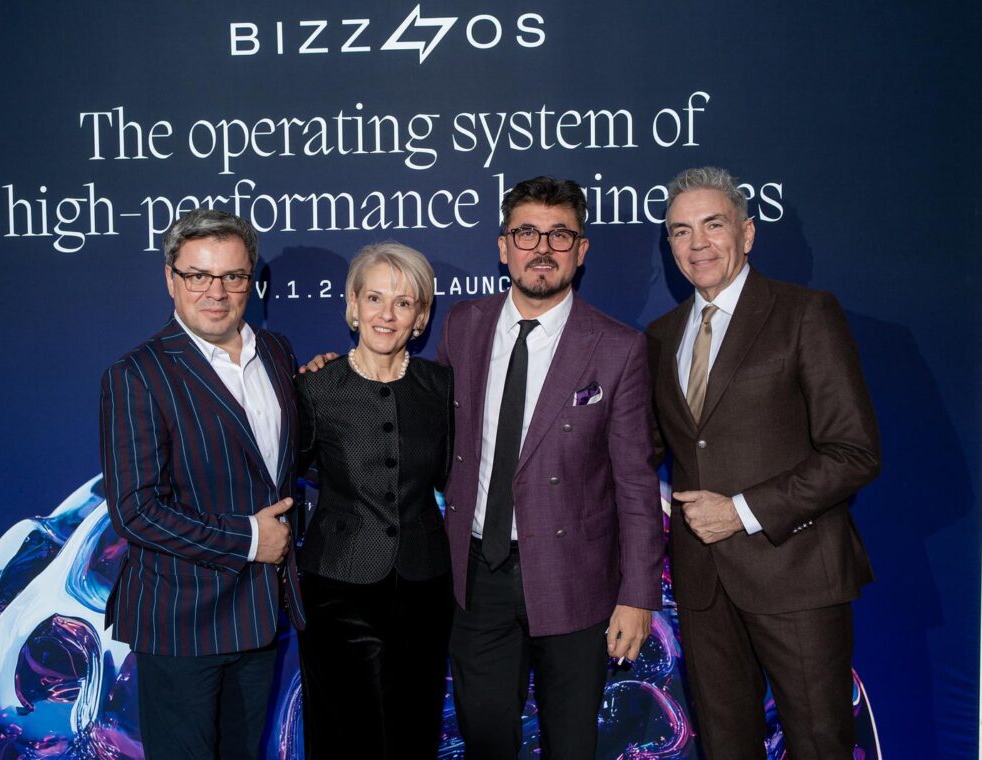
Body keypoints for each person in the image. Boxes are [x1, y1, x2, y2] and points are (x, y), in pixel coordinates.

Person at [647, 166, 880, 759]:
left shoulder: (804, 313)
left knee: (820, 745)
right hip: (702, 586)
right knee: (726, 747)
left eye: (713, 225)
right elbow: (644, 449)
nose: (697, 243)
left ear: (746, 234)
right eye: (680, 231)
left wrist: (742, 511)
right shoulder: (660, 336)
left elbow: (853, 452)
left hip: (796, 572)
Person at [437, 176, 663, 758]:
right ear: (503, 246)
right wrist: (339, 375)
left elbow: (636, 482)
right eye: (527, 233)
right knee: (486, 741)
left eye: (560, 234)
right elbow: (427, 426)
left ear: (581, 250)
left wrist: (639, 596)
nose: (543, 248)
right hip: (477, 577)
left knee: (570, 744)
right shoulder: (462, 325)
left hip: (575, 581)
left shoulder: (618, 347)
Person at [99, 208, 304, 759]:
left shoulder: (276, 353)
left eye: (232, 276)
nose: (216, 291)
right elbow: (136, 510)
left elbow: (282, 461)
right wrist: (249, 539)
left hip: (258, 617)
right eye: (198, 275)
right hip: (180, 620)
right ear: (171, 279)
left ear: (250, 281)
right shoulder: (138, 374)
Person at [294, 242, 454, 759]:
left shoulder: (440, 387)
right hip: (337, 590)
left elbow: (456, 476)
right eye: (375, 298)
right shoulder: (316, 388)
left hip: (424, 587)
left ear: (421, 316)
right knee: (346, 738)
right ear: (353, 305)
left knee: (414, 733)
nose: (387, 315)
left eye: (403, 303)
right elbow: (282, 475)